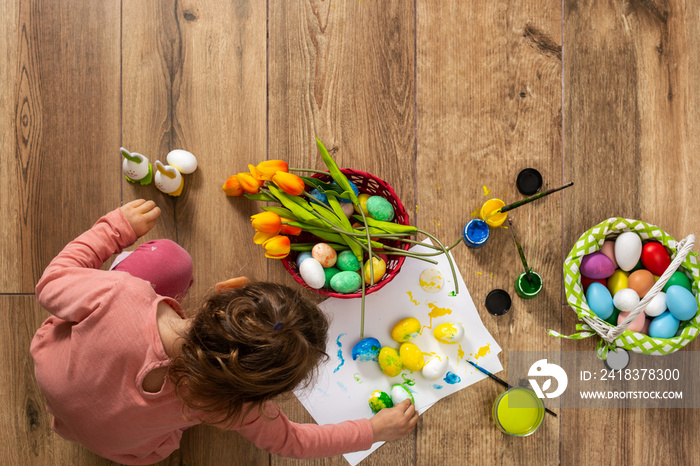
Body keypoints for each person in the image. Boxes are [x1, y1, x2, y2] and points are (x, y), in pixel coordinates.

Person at [30, 199, 418, 465]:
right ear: (258, 389)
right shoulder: (230, 407)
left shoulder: (120, 296)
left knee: (170, 260)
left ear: (227, 289)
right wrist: (372, 429)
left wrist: (115, 230)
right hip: (122, 448)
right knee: (158, 445)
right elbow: (294, 442)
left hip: (54, 376)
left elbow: (51, 283)